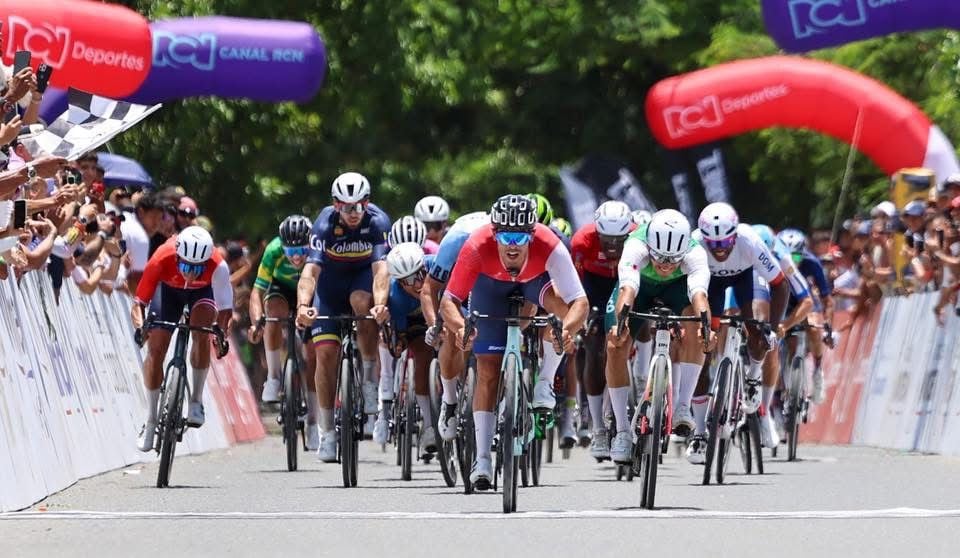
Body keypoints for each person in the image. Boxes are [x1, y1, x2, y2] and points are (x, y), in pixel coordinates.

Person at [440, 194, 587, 489]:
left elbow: (580, 302)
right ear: (494, 232)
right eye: (505, 236)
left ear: (532, 234)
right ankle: (482, 459)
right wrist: (460, 328)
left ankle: (544, 381)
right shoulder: (477, 245)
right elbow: (449, 301)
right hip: (489, 289)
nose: (512, 244)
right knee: (488, 370)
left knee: (558, 313)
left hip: (534, 284)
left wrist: (568, 330)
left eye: (520, 238)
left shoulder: (550, 245)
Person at [295, 172, 391, 462]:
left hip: (362, 279)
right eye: (346, 208)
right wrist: (302, 305)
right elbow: (310, 273)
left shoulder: (378, 223)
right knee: (324, 355)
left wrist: (381, 305)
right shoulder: (323, 224)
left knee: (363, 302)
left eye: (358, 207)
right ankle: (327, 433)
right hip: (330, 285)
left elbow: (381, 272)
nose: (353, 213)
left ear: (367, 203)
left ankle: (370, 377)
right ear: (336, 206)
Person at [605, 209, 713, 464]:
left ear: (684, 250)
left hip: (677, 290)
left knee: (698, 328)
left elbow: (699, 295)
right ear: (649, 245)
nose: (664, 265)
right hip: (639, 288)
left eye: (673, 259)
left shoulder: (695, 252)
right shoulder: (635, 244)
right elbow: (628, 289)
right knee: (614, 345)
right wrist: (620, 325)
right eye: (659, 257)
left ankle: (682, 406)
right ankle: (622, 431)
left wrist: (706, 328)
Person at [687, 203, 788, 463]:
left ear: (736, 235)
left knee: (757, 329)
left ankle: (753, 378)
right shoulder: (694, 243)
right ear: (704, 238)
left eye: (726, 242)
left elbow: (780, 286)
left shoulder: (750, 241)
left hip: (746, 278)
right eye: (714, 243)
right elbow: (682, 285)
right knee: (702, 349)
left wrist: (772, 329)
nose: (720, 249)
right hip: (710, 283)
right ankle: (699, 433)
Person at [132, 226, 233, 452]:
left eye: (198, 269)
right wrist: (140, 327)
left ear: (207, 261)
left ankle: (196, 400)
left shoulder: (218, 265)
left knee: (201, 330)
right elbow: (138, 303)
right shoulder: (162, 256)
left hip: (202, 295)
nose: (191, 274)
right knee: (156, 350)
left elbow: (226, 310)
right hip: (168, 293)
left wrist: (221, 335)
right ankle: (150, 421)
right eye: (186, 266)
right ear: (177, 257)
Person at [248, 215, 320, 448]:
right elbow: (257, 292)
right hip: (282, 290)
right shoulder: (273, 251)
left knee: (313, 355)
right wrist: (255, 321)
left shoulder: (318, 248)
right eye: (291, 250)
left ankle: (313, 421)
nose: (297, 255)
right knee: (272, 313)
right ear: (282, 246)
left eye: (301, 249)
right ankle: (274, 377)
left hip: (310, 292)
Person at [571, 200, 635, 458]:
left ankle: (641, 378)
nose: (612, 246)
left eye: (619, 239)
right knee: (594, 347)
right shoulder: (581, 242)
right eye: (606, 238)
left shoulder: (638, 238)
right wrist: (582, 316)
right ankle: (597, 426)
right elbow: (573, 283)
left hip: (624, 283)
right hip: (593, 288)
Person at [420, 210, 489, 443]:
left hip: (489, 283)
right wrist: (434, 326)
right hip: (457, 285)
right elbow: (429, 289)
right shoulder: (454, 242)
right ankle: (449, 401)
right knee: (452, 331)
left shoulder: (504, 242)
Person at [372, 243, 438, 454]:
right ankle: (428, 424)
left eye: (420, 274)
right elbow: (398, 340)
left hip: (437, 312)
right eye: (409, 280)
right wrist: (396, 343)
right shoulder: (396, 296)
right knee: (421, 354)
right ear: (399, 282)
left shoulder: (436, 266)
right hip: (409, 324)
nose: (417, 283)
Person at [778, 228, 835, 403]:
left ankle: (818, 370)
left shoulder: (812, 263)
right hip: (784, 302)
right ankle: (782, 386)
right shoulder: (774, 262)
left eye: (795, 257)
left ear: (803, 253)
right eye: (786, 256)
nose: (790, 262)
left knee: (812, 326)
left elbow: (827, 300)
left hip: (805, 300)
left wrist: (827, 328)